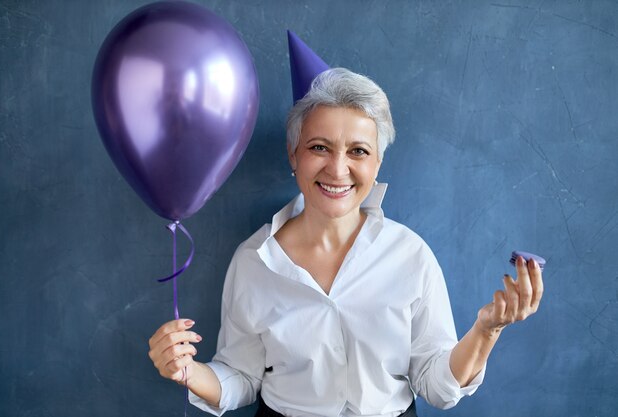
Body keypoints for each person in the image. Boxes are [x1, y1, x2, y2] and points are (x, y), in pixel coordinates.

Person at [148, 68, 544, 417]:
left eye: (358, 151)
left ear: (377, 164)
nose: (338, 169)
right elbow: (240, 378)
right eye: (319, 147)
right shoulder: (254, 260)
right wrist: (189, 372)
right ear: (293, 155)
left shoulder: (411, 255)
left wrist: (487, 330)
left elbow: (436, 387)